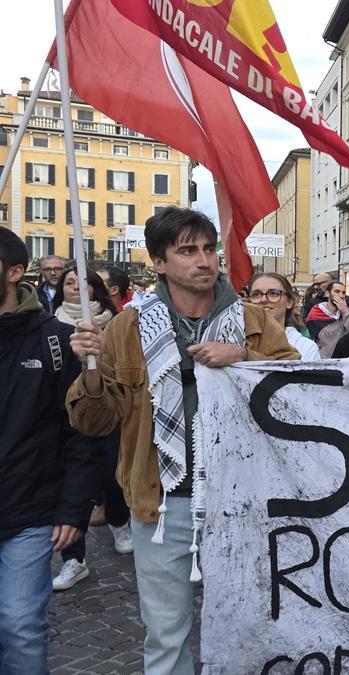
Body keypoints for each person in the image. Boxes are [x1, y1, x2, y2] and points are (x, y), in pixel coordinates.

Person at [66, 208, 299, 675]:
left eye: (209, 249)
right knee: (166, 636)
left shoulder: (253, 320)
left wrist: (244, 357)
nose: (203, 260)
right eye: (187, 250)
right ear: (159, 262)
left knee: (248, 628)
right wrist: (90, 373)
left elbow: (298, 392)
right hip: (160, 503)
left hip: (243, 499)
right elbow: (95, 423)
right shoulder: (125, 328)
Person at [0, 230, 98, 673]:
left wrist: (73, 508)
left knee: (20, 623)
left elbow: (79, 432)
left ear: (15, 273)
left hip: (30, 509)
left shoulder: (57, 341)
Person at [49, 267, 125, 592]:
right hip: (65, 414)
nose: (75, 289)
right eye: (68, 283)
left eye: (82, 284)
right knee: (72, 485)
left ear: (94, 290)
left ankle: (119, 522)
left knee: (111, 473)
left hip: (104, 408)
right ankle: (73, 558)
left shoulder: (115, 323)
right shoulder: (49, 326)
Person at [249, 273, 321, 361]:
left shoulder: (306, 347)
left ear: (289, 302)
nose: (263, 300)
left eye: (274, 293)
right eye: (256, 294)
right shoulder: (235, 341)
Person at [52, 268, 118, 331]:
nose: (76, 287)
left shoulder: (115, 322)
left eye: (84, 283)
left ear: (95, 288)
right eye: (69, 283)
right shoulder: (50, 321)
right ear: (62, 289)